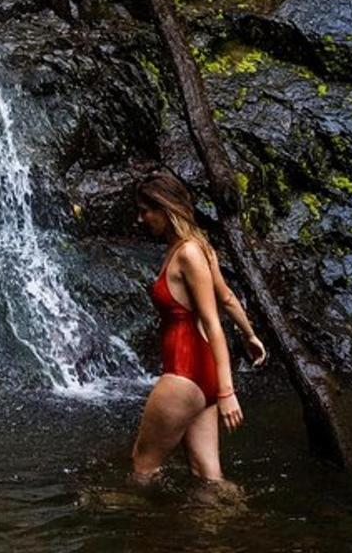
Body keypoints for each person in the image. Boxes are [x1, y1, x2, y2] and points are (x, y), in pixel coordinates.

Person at [130, 170, 266, 483]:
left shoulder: (189, 253)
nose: (141, 219)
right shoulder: (199, 247)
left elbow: (212, 321)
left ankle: (139, 527)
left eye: (145, 211)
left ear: (165, 208)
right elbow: (228, 298)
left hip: (184, 373)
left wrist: (227, 392)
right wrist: (250, 334)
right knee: (208, 476)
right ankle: (233, 525)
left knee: (142, 466)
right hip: (200, 375)